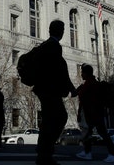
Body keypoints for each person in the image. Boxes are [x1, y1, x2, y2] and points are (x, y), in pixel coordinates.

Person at [32, 20, 77, 165]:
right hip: (49, 89)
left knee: (48, 120)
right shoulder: (54, 46)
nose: (64, 32)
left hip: (43, 88)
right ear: (60, 31)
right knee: (60, 117)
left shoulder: (45, 44)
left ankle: (43, 153)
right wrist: (70, 88)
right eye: (63, 29)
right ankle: (46, 151)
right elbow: (60, 70)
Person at [75, 64, 114, 162]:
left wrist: (79, 91)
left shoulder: (91, 84)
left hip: (94, 114)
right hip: (92, 113)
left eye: (82, 72)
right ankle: (87, 152)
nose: (81, 74)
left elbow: (87, 101)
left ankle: (113, 153)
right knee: (88, 133)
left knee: (101, 133)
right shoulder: (89, 84)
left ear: (87, 73)